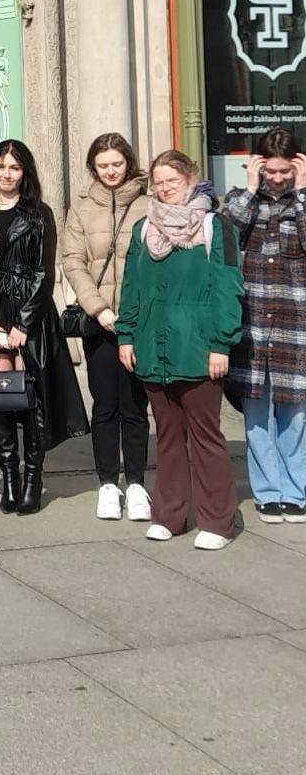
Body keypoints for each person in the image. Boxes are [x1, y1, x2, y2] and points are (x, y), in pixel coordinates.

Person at [118, 149, 243, 549]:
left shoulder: (214, 226)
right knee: (167, 436)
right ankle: (170, 515)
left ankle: (217, 522)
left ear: (190, 178)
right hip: (153, 346)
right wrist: (125, 335)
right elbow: (131, 286)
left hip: (198, 348)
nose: (165, 188)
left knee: (205, 436)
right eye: (159, 182)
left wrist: (222, 343)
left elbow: (228, 287)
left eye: (172, 180)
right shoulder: (143, 229)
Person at [0, 140, 88, 515]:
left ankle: (33, 477)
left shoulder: (39, 214)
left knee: (34, 399)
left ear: (24, 172)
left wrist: (23, 324)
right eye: (0, 166)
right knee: (2, 396)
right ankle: (9, 477)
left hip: (31, 316)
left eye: (14, 167)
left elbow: (43, 272)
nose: (6, 174)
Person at [61, 132, 152, 522]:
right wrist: (98, 309)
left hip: (139, 321)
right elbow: (72, 260)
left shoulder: (148, 202)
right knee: (104, 405)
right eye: (103, 166)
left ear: (128, 162)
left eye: (117, 164)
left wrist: (134, 313)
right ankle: (107, 484)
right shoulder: (82, 206)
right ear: (92, 168)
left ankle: (136, 483)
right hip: (99, 321)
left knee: (135, 406)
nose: (111, 171)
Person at [222, 128, 306, 524]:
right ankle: (268, 492)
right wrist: (251, 189)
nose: (277, 178)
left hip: (295, 324)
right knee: (256, 414)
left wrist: (301, 192)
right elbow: (225, 237)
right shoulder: (240, 200)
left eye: (284, 171)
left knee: (296, 415)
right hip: (252, 324)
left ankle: (296, 490)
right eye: (269, 171)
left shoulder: (302, 200)